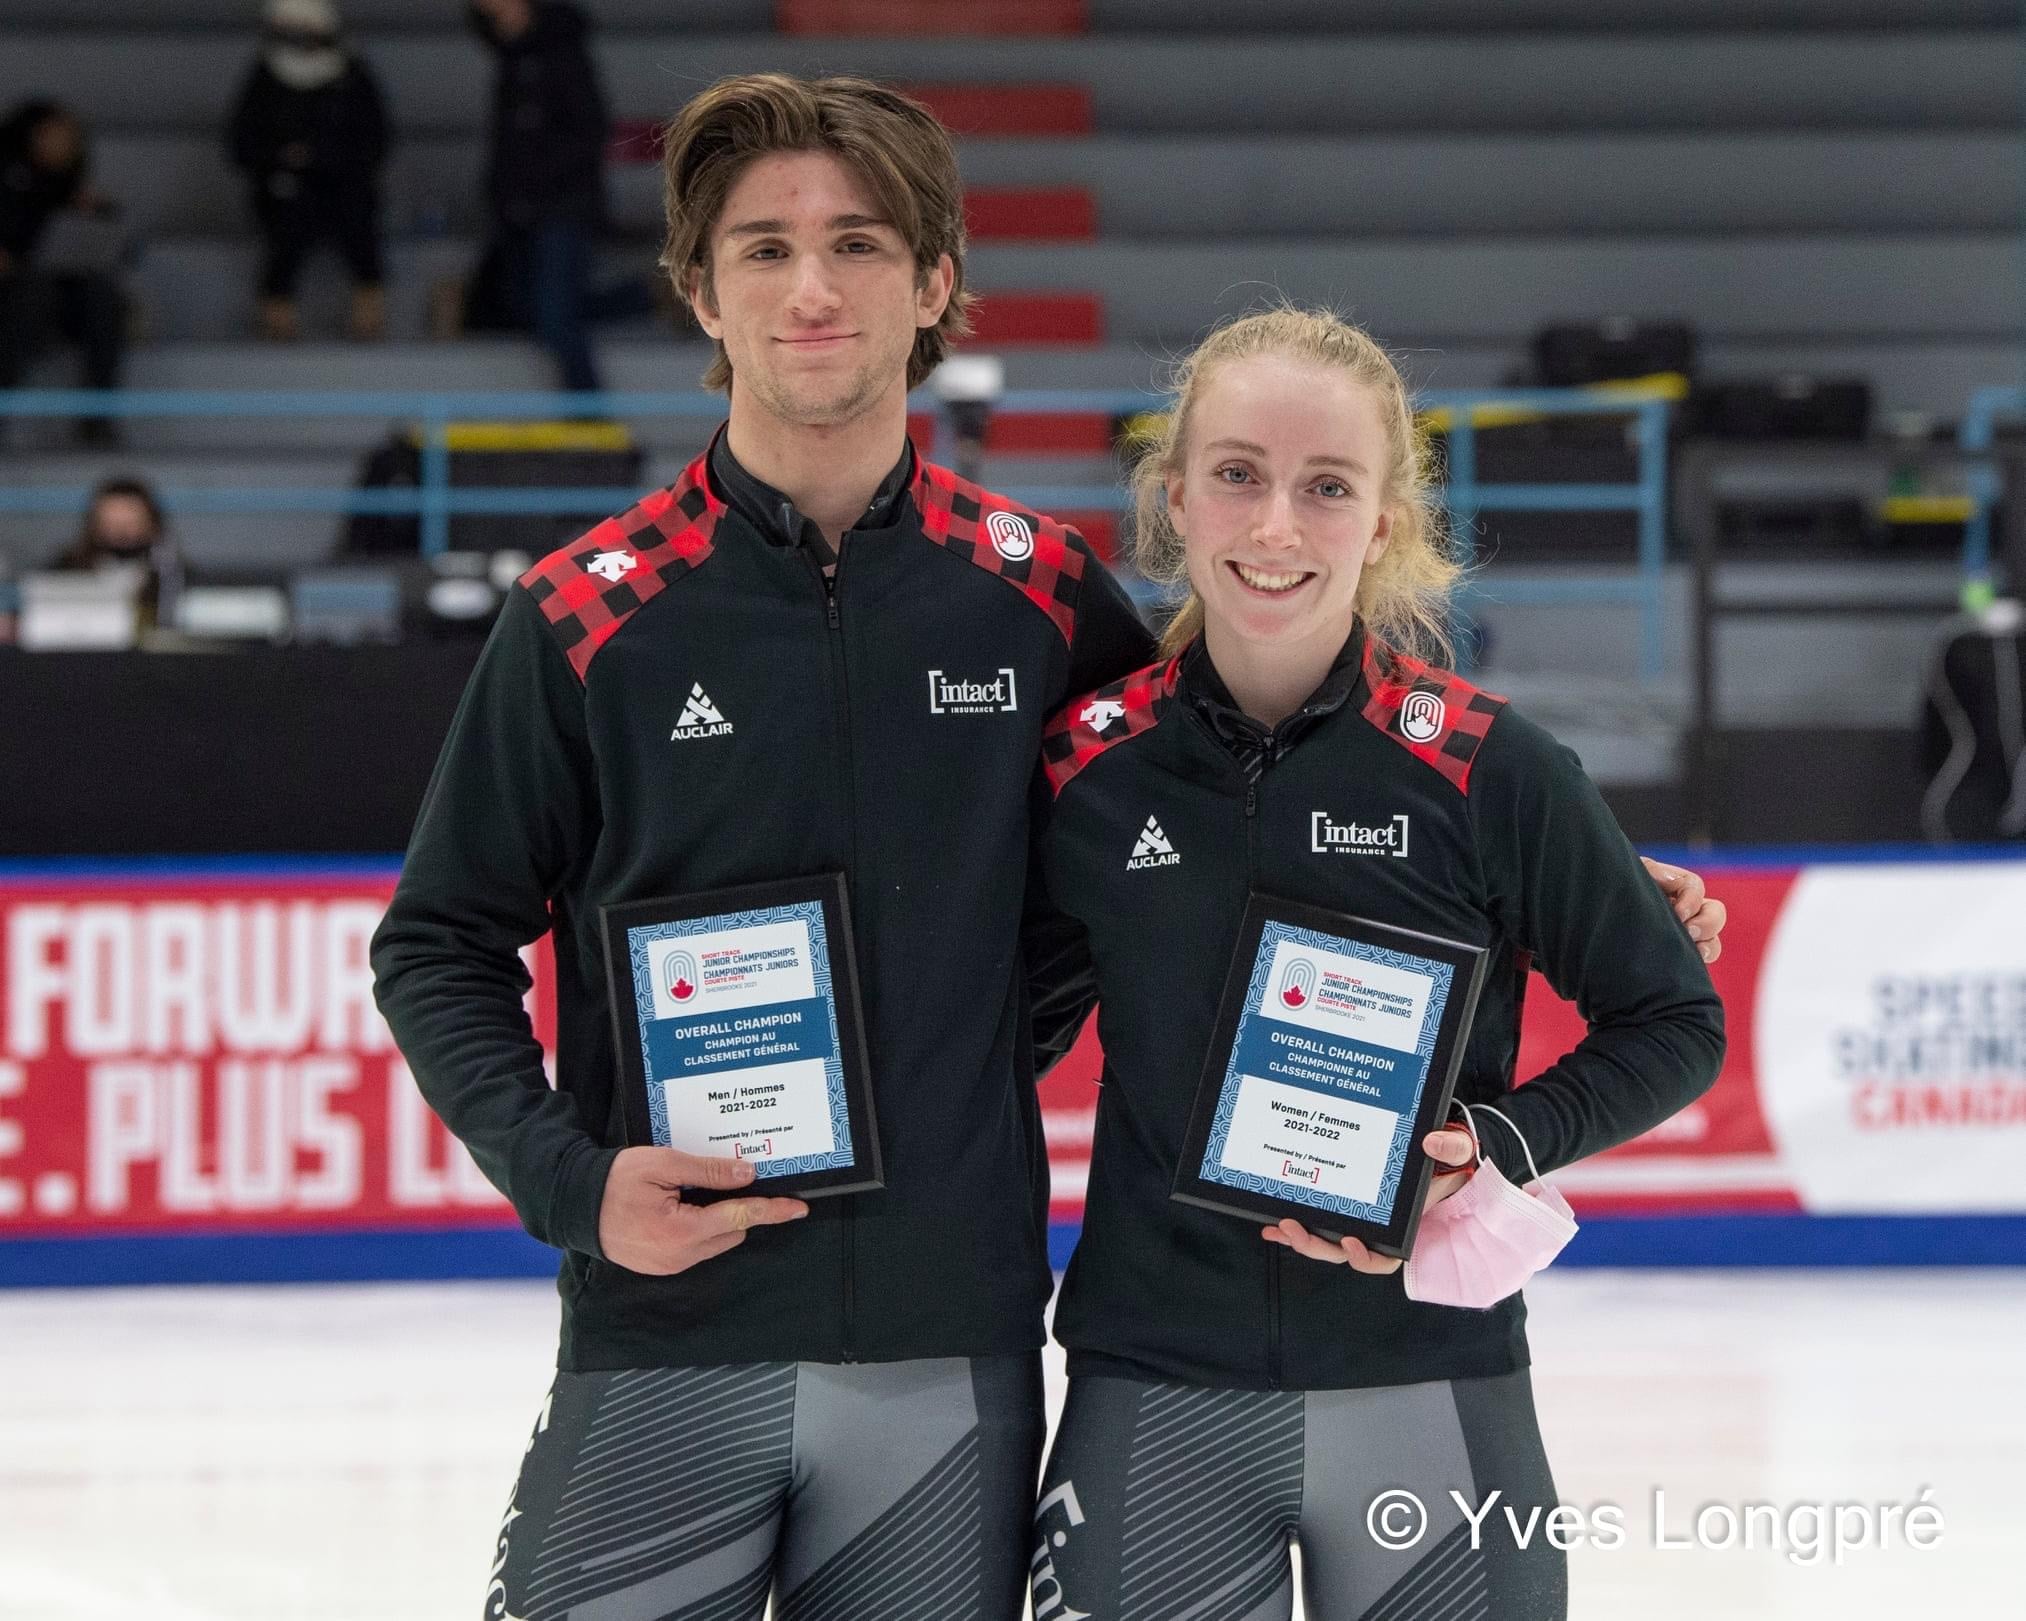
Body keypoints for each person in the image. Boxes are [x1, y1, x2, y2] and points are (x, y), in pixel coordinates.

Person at [373, 75, 1727, 1620]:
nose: (812, 288)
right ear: (700, 289)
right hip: (661, 1330)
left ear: (936, 282)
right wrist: (568, 1182)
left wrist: (1588, 884)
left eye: (862, 245)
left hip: (953, 1357)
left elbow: (1243, 776)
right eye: (761, 248)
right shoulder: (584, 615)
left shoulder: (1032, 598)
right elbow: (437, 941)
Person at [1029, 306, 1728, 1620]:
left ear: (1389, 521)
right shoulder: (1084, 769)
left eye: (1325, 486)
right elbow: (988, 1011)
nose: (1275, 526)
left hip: (1433, 1383)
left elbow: (1670, 1021)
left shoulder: (1488, 767)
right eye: (1236, 474)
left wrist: (1491, 1139)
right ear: (1173, 499)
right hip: (1156, 1383)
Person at [462, 0, 655, 391]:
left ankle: (595, 429)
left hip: (562, 207)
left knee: (556, 320)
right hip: (521, 211)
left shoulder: (559, 51)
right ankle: (643, 298)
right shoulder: (512, 55)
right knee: (525, 309)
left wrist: (533, 185)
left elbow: (587, 131)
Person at [226, 0, 390, 342]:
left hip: (343, 180)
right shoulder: (265, 77)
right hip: (283, 186)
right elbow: (240, 145)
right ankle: (277, 308)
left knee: (356, 207)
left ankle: (369, 303)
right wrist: (282, 156)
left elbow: (377, 140)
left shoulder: (352, 76)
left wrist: (324, 156)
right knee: (290, 209)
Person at [0, 99, 128, 445]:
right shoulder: (8, 181)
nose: (64, 144)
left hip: (67, 295)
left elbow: (118, 248)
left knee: (103, 297)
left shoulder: (75, 190)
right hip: (16, 295)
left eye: (70, 137)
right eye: (54, 136)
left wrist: (96, 216)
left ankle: (97, 414)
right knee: (33, 292)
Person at [51, 475, 183, 631]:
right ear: (94, 526)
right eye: (111, 525)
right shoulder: (65, 570)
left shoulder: (172, 576)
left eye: (130, 524)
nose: (121, 534)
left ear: (152, 525)